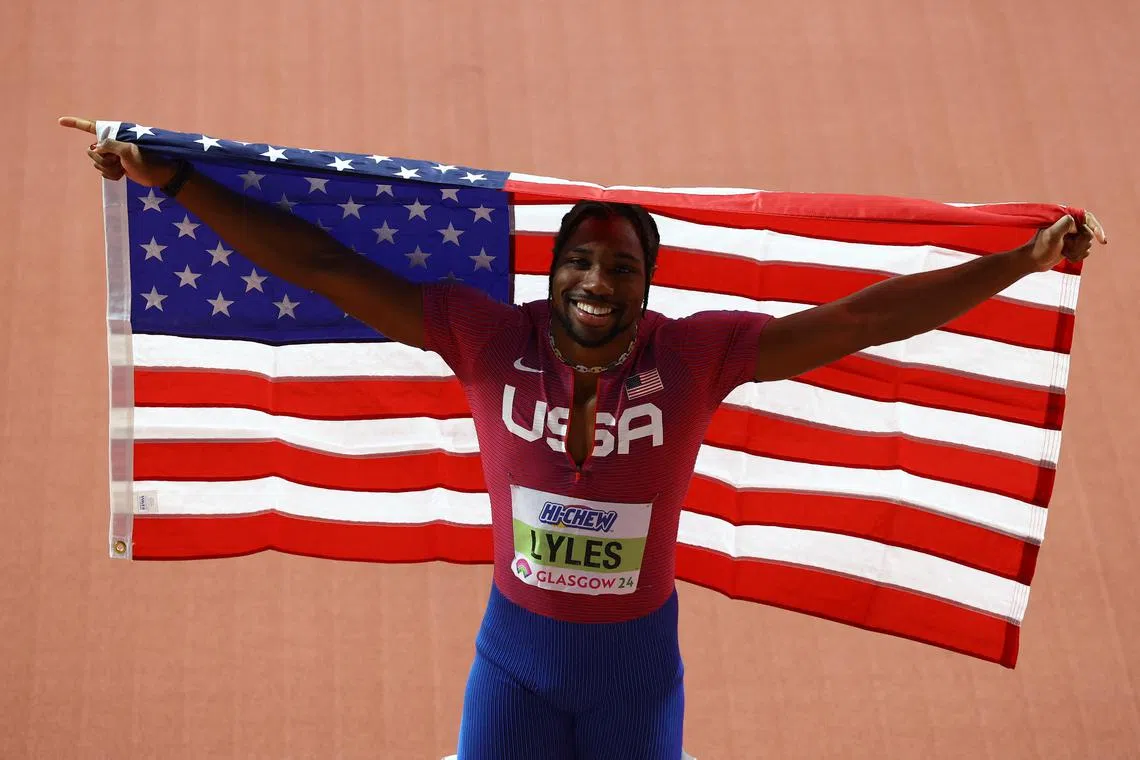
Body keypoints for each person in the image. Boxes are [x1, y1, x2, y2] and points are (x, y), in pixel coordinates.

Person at [61, 115, 1105, 760]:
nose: (598, 283)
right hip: (514, 657)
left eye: (621, 269)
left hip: (635, 669)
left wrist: (1018, 262)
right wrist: (180, 182)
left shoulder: (698, 356)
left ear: (649, 287)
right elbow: (329, 269)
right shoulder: (482, 337)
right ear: (551, 272)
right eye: (581, 263)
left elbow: (867, 317)